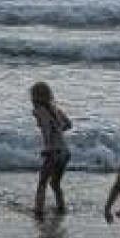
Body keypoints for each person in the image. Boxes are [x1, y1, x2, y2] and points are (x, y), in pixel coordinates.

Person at [30, 82, 74, 218]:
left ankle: (39, 210)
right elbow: (69, 124)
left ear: (35, 97)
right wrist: (59, 130)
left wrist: (48, 146)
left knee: (42, 183)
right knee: (55, 184)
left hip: (54, 152)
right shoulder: (56, 110)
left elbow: (46, 126)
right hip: (65, 152)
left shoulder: (39, 111)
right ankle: (61, 207)